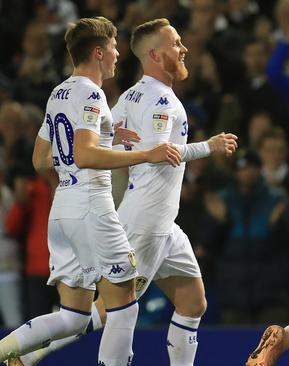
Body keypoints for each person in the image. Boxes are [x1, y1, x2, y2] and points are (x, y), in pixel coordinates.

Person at [9, 18, 238, 366]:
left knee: (193, 303)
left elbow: (80, 142)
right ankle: (31, 355)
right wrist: (209, 146)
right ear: (156, 55)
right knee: (113, 310)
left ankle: (24, 353)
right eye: (176, 43)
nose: (184, 48)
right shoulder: (157, 101)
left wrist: (93, 150)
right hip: (145, 221)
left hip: (160, 222)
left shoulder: (128, 95)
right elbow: (161, 154)